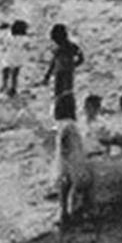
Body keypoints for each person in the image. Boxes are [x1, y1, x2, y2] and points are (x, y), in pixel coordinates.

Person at [50, 93, 93, 226]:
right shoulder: (71, 124)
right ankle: (80, 214)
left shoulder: (63, 125)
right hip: (74, 158)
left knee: (66, 186)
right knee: (79, 186)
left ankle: (65, 213)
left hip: (67, 159)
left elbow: (63, 142)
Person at [42, 23, 84, 107]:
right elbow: (81, 58)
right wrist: (74, 64)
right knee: (63, 93)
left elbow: (53, 62)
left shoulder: (66, 47)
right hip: (63, 72)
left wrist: (48, 75)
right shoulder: (70, 46)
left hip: (64, 72)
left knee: (63, 93)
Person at [1, 19, 29, 96]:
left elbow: (5, 44)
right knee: (15, 74)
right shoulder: (24, 38)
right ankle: (13, 88)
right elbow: (26, 46)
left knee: (5, 71)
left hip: (9, 56)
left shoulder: (9, 36)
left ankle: (5, 85)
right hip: (19, 58)